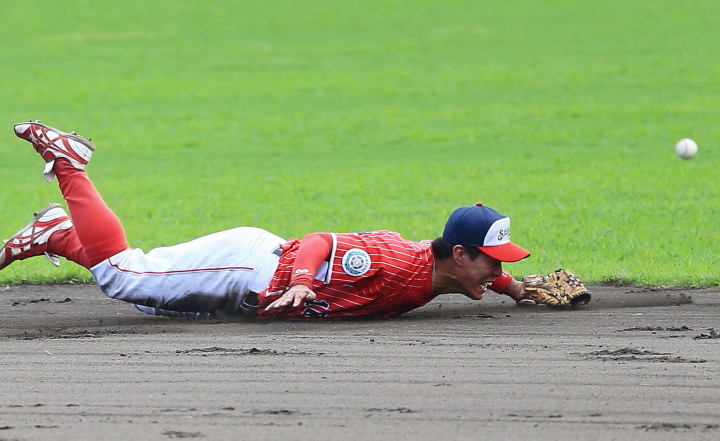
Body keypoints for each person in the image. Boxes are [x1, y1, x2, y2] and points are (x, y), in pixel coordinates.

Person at [1, 121, 532, 320]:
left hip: (252, 285)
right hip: (251, 268)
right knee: (123, 276)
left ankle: (56, 234)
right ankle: (69, 163)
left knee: (146, 300)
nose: (496, 269)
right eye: (493, 262)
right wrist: (302, 281)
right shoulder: (393, 261)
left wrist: (516, 288)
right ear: (459, 253)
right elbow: (320, 241)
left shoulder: (443, 269)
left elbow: (477, 271)